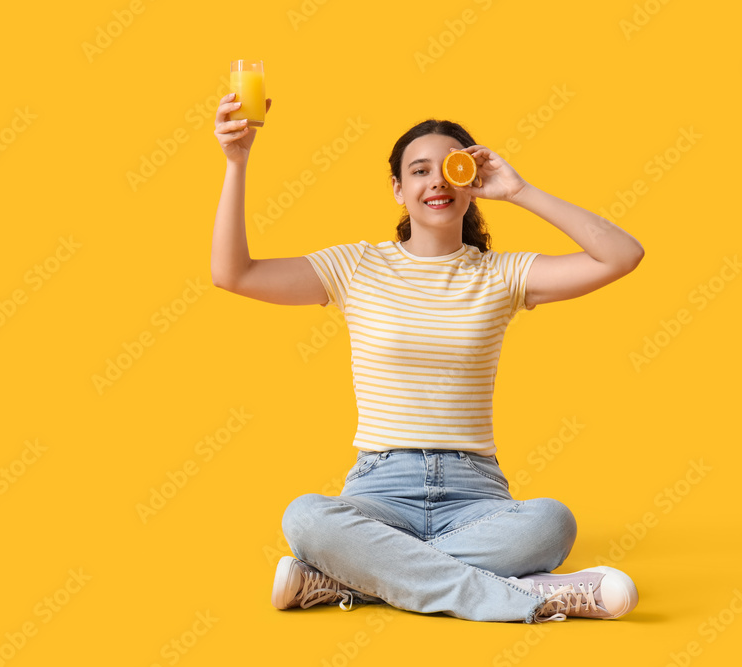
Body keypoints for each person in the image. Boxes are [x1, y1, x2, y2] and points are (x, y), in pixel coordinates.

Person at [211, 94, 645, 623]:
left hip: (475, 494)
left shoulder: (501, 274)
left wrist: (520, 191)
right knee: (306, 517)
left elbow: (623, 255)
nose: (436, 182)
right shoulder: (355, 266)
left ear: (471, 181)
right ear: (398, 188)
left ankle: (350, 578)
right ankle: (531, 598)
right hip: (378, 489)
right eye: (419, 171)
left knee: (552, 523)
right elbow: (233, 274)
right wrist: (237, 162)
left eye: (450, 169)